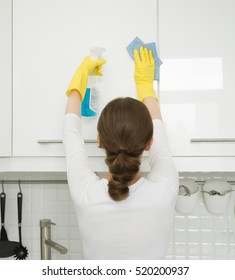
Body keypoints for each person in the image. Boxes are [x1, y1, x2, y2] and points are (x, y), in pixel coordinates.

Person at [63, 47, 178, 259]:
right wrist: (145, 86)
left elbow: (70, 131)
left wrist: (80, 79)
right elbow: (159, 133)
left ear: (99, 140)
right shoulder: (165, 191)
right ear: (149, 143)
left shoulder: (85, 194)